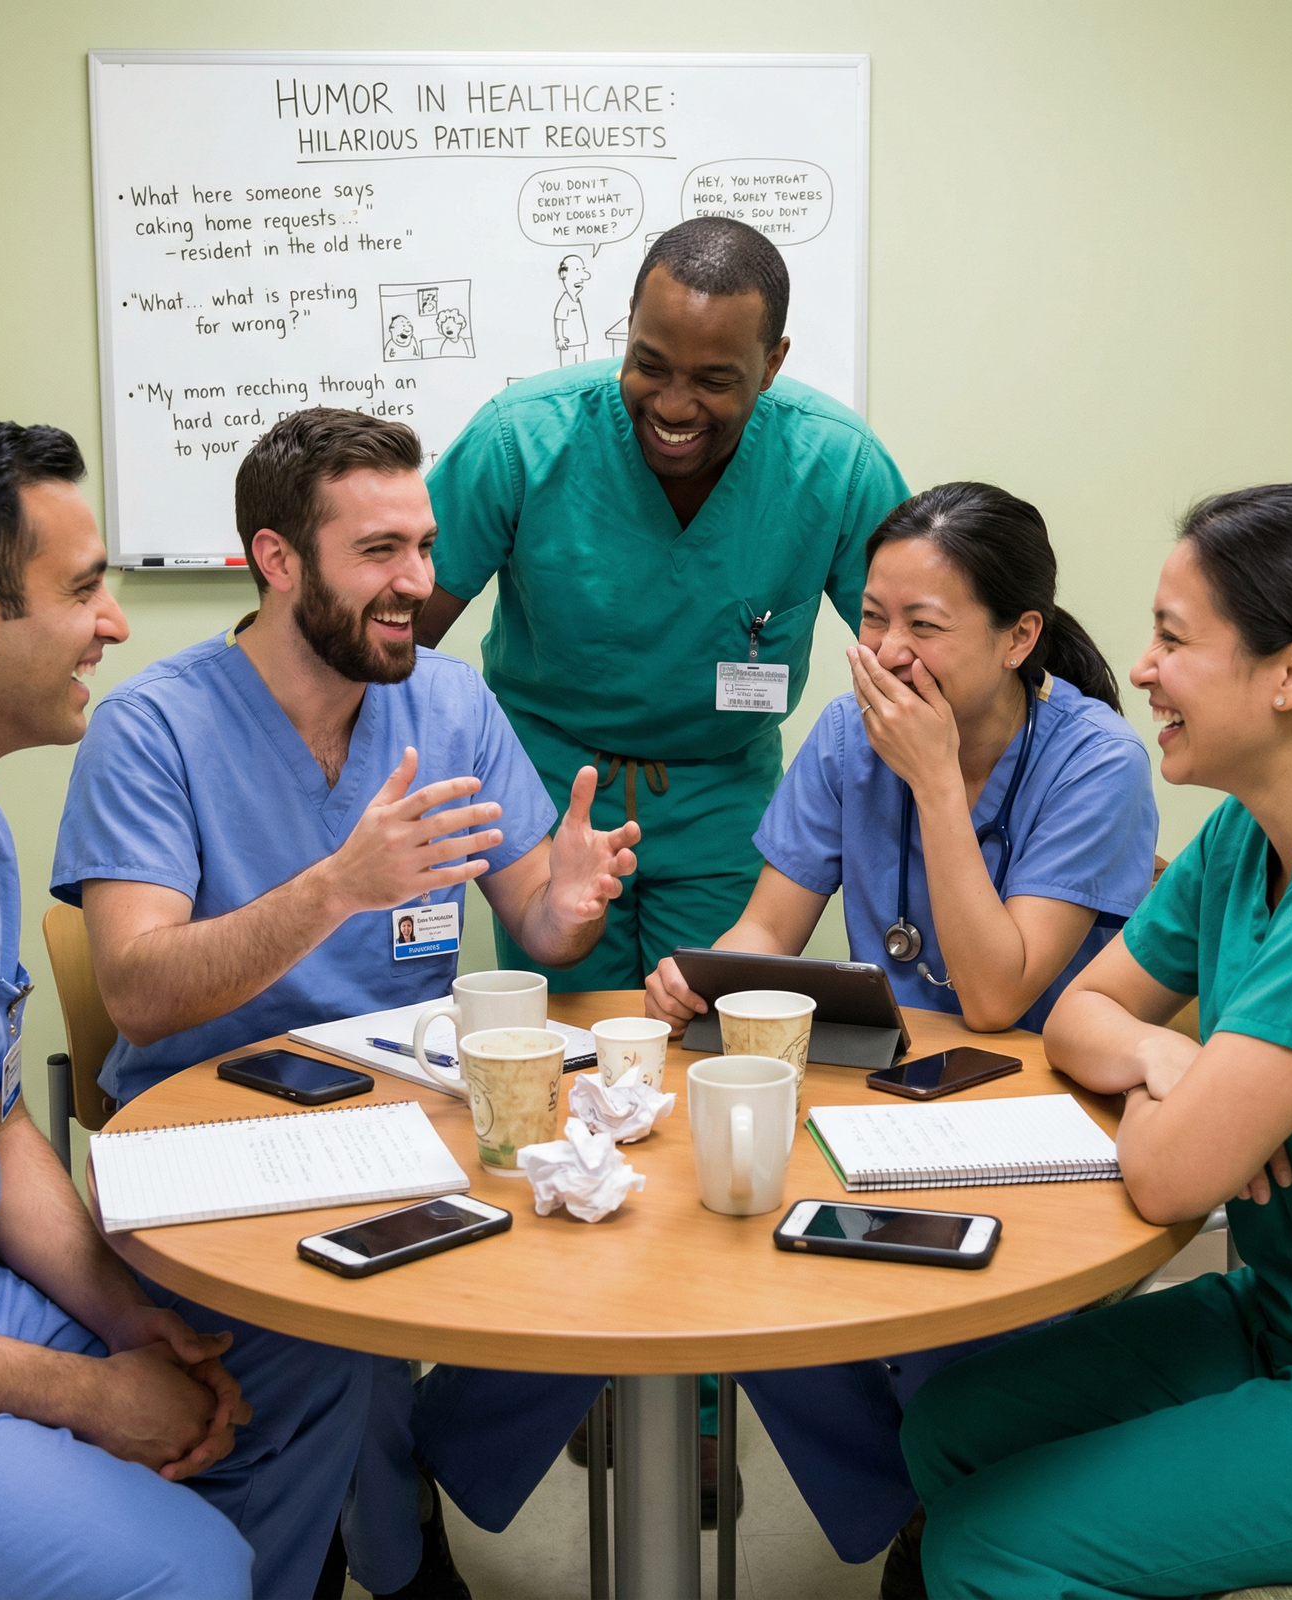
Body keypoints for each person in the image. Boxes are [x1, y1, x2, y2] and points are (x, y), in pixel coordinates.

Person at [53, 407, 639, 1596]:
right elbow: (139, 991)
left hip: (408, 1138)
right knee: (326, 1340)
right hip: (211, 1148)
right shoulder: (152, 728)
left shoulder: (450, 705)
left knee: (624, 1276)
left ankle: (394, 1493)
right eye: (380, 552)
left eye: (422, 549)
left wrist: (571, 901)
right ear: (277, 560)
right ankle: (349, 1541)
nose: (417, 586)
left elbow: (534, 914)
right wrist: (335, 887)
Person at [0, 414, 380, 1600]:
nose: (116, 624)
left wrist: (126, 1318)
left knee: (300, 1359)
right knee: (180, 1569)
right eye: (84, 591)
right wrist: (79, 1392)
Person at [899, 483, 1292, 1600]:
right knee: (949, 1423)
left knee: (988, 1547)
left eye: (1172, 640)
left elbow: (1168, 1175)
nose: (1137, 668)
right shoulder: (1249, 829)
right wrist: (1166, 1059)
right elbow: (1084, 1015)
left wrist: (1181, 1116)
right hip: (1285, 1313)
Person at [645, 481, 1160, 1570]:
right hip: (883, 1100)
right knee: (744, 1286)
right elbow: (769, 922)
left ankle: (946, 1517)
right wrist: (703, 982)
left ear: (1020, 636)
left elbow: (994, 995)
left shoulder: (1095, 759)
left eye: (923, 626)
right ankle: (922, 1509)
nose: (885, 650)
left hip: (1039, 1115)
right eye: (872, 618)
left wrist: (931, 780)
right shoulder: (843, 733)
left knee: (948, 1342)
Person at [418, 216, 911, 999]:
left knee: (709, 1031)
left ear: (773, 362)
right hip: (548, 787)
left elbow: (916, 653)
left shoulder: (836, 466)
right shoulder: (522, 440)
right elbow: (399, 637)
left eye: (715, 380)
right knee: (564, 1040)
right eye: (649, 364)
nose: (674, 405)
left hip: (722, 796)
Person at [553, 252, 591, 362]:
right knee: (568, 369)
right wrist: (560, 338)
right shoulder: (565, 301)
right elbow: (559, 319)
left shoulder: (576, 299)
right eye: (577, 270)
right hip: (568, 344)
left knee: (580, 367)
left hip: (580, 341)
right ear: (564, 275)